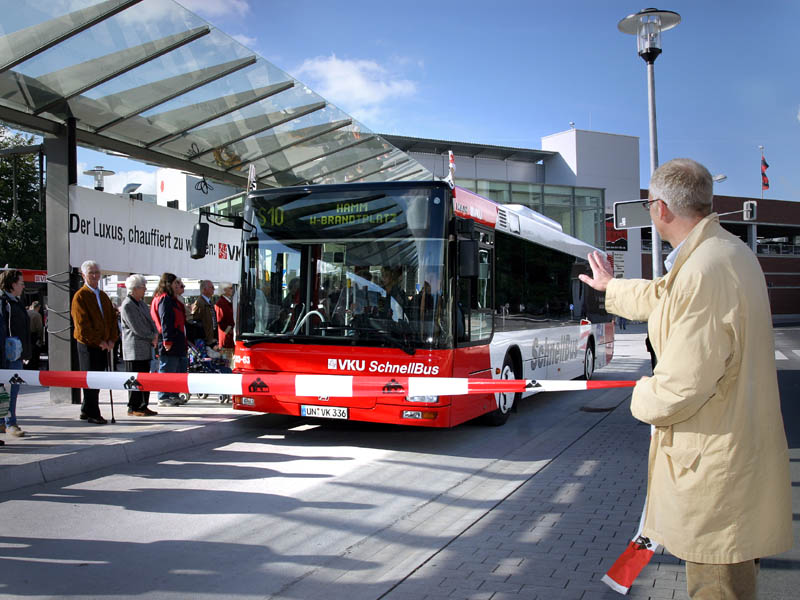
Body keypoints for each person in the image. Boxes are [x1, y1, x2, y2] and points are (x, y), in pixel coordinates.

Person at [579, 158, 792, 599]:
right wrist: (610, 288)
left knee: (717, 587)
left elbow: (683, 386)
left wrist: (640, 395)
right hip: (735, 457)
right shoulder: (724, 253)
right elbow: (664, 297)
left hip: (718, 472)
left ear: (660, 209)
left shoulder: (703, 271)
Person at [70, 260, 118, 425]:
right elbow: (82, 325)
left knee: (98, 377)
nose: (96, 275)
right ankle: (92, 412)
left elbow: (112, 319)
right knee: (91, 379)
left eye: (97, 272)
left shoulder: (103, 296)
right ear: (84, 275)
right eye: (91, 272)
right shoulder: (80, 296)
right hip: (88, 345)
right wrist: (99, 341)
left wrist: (112, 339)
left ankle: (86, 409)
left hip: (103, 344)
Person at [119, 274, 158, 417]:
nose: (145, 290)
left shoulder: (141, 303)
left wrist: (155, 333)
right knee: (134, 380)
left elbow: (151, 321)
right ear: (134, 289)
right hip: (134, 350)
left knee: (145, 379)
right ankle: (133, 406)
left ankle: (143, 405)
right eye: (143, 287)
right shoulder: (128, 305)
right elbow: (137, 327)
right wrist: (151, 336)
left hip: (145, 348)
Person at [1, 269, 31, 437]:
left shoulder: (16, 302)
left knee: (11, 390)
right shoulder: (4, 302)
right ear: (12, 284)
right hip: (8, 354)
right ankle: (10, 423)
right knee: (9, 390)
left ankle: (5, 422)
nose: (23, 286)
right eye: (21, 283)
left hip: (16, 353)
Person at [150, 273, 187, 407]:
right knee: (167, 368)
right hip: (170, 339)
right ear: (168, 284)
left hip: (177, 339)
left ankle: (173, 394)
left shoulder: (172, 299)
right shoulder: (164, 299)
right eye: (175, 283)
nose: (178, 285)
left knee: (177, 368)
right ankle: (163, 396)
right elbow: (166, 320)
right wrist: (167, 340)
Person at [190, 279, 218, 349]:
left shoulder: (209, 301)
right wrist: (203, 336)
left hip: (210, 338)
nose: (214, 289)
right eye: (211, 287)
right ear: (204, 290)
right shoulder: (199, 302)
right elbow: (195, 320)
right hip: (204, 340)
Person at [214, 282, 235, 364]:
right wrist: (229, 332)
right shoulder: (221, 303)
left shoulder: (228, 302)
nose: (232, 290)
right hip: (226, 340)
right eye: (230, 288)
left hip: (230, 339)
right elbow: (221, 323)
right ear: (224, 290)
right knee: (227, 362)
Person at [26, 301, 43, 370]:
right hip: (33, 336)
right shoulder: (37, 315)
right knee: (35, 354)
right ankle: (34, 367)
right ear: (38, 307)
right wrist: (41, 339)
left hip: (26, 335)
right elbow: (39, 328)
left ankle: (27, 366)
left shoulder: (26, 312)